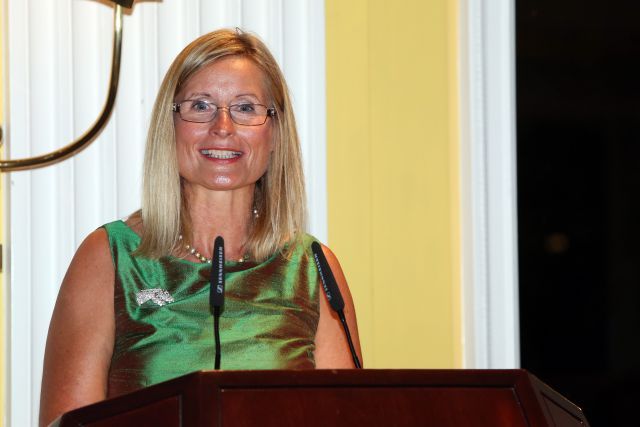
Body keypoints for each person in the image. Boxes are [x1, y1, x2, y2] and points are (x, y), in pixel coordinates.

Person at [39, 29, 361, 426]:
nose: (223, 126)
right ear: (169, 127)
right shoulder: (109, 258)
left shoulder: (313, 269)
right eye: (201, 105)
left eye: (245, 108)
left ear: (274, 132)